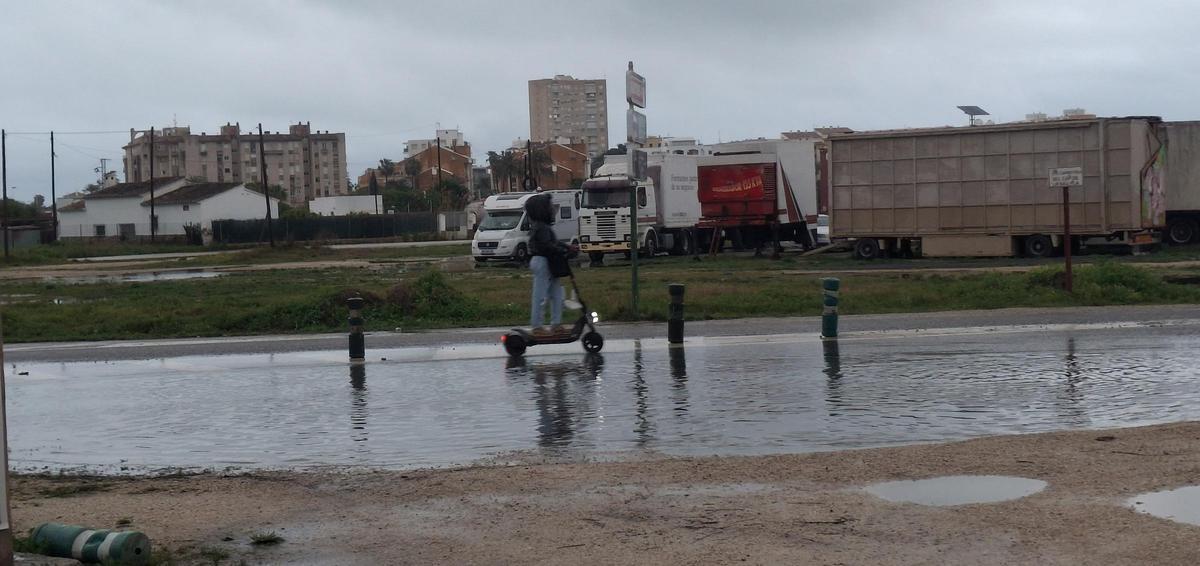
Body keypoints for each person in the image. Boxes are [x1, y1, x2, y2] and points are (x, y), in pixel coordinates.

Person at [526, 194, 573, 335]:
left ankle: (556, 324)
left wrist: (567, 247)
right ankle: (537, 326)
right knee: (541, 296)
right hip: (543, 261)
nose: (552, 209)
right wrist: (562, 250)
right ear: (542, 210)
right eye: (550, 207)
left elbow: (553, 243)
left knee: (556, 294)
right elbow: (547, 245)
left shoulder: (542, 227)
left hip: (548, 261)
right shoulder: (541, 228)